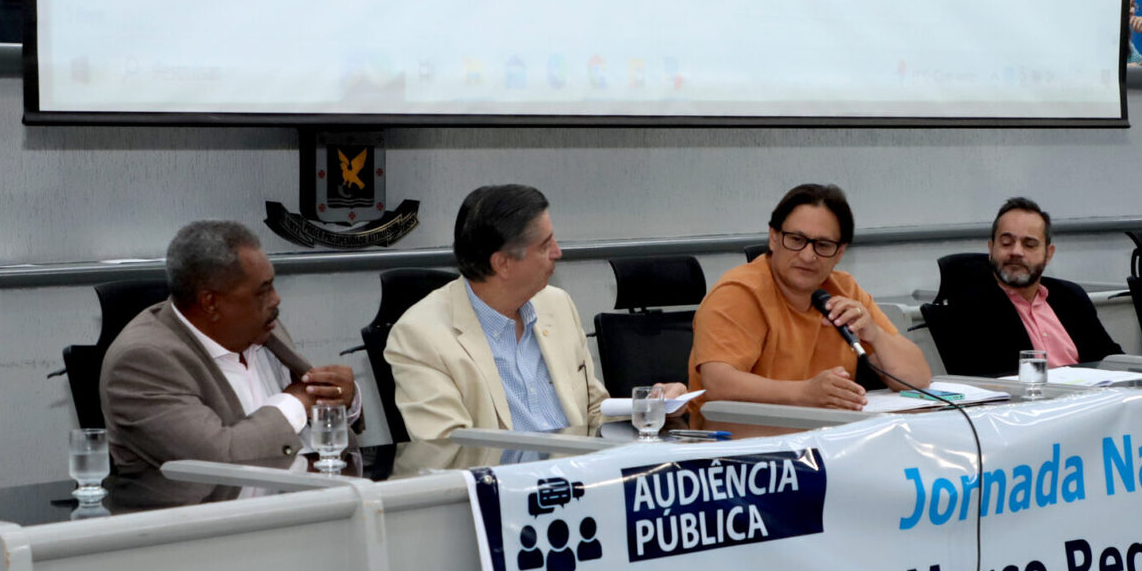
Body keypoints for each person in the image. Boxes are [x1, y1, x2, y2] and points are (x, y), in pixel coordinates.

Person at [387, 185, 656, 441]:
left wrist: (650, 410)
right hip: (502, 483)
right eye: (544, 245)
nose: (557, 253)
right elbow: (449, 448)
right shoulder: (420, 336)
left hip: (578, 476)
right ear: (503, 263)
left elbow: (594, 414)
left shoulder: (557, 305)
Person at [101, 221, 356, 475]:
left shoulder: (260, 325)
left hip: (299, 498)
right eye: (263, 291)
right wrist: (297, 403)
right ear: (211, 303)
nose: (276, 300)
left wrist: (341, 399)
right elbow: (219, 460)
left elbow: (308, 418)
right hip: (201, 511)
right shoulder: (142, 363)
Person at [690, 183, 933, 410]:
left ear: (839, 252)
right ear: (773, 237)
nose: (808, 256)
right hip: (746, 446)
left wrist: (875, 334)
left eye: (823, 245)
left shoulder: (844, 290)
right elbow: (718, 384)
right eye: (796, 240)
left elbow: (918, 377)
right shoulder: (739, 293)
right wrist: (805, 393)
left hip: (826, 435)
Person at [931, 197, 1123, 376]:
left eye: (1029, 245)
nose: (1016, 252)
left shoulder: (1070, 296)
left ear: (1048, 254)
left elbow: (1109, 359)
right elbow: (992, 380)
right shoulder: (970, 307)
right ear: (991, 249)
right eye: (1006, 243)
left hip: (1089, 403)